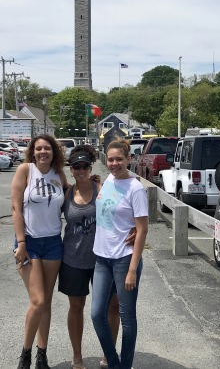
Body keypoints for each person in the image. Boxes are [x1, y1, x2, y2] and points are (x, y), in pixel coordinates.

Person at [58, 144, 135, 369]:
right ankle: (77, 356)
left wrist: (136, 228)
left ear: (90, 167)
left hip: (104, 258)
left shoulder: (102, 186)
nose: (80, 170)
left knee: (112, 307)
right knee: (76, 307)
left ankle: (107, 354)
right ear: (71, 169)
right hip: (73, 258)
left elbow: (122, 209)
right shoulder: (66, 193)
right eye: (76, 166)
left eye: (84, 166)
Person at [11, 134, 68, 369]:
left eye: (47, 148)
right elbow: (15, 207)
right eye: (38, 149)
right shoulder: (26, 170)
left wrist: (96, 184)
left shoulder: (58, 174)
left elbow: (75, 196)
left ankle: (41, 355)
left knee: (47, 303)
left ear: (54, 152)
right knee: (38, 301)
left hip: (54, 242)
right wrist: (21, 242)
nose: (43, 152)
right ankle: (25, 353)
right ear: (32, 152)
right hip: (30, 243)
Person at [91, 138, 149, 369]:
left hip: (125, 260)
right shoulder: (109, 180)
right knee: (97, 314)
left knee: (127, 318)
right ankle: (114, 363)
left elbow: (143, 229)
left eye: (119, 159)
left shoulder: (135, 188)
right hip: (102, 258)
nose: (114, 163)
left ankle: (125, 365)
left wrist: (133, 269)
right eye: (111, 159)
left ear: (129, 159)